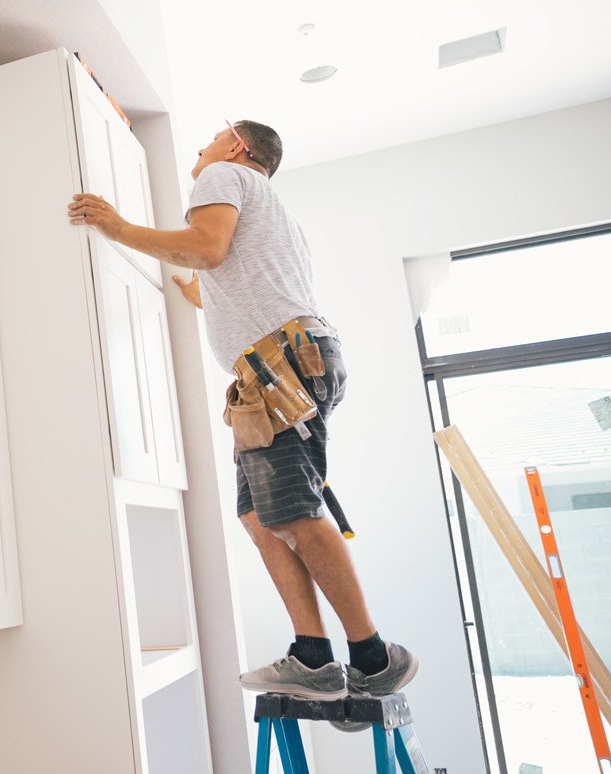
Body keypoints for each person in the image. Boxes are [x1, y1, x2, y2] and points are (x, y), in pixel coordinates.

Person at [65, 120, 416, 703]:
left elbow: (207, 247)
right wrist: (195, 291)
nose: (197, 153)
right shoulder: (270, 209)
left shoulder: (224, 175)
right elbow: (227, 274)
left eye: (207, 141)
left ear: (236, 144)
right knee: (259, 517)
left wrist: (117, 226)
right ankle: (312, 655)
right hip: (278, 368)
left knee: (295, 514)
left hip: (278, 369)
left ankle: (373, 658)